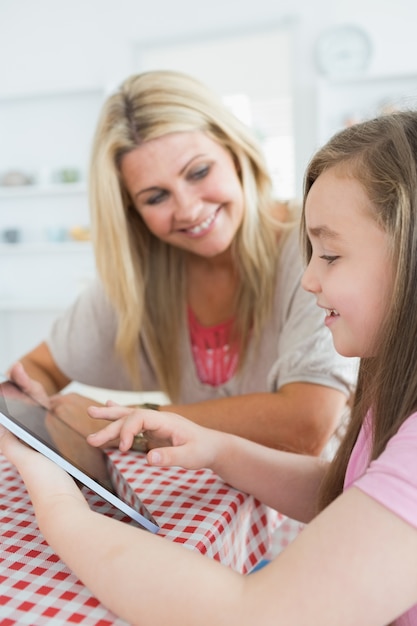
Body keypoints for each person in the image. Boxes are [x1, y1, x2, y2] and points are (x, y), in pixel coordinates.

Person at [3, 110, 417, 625]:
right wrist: (216, 447)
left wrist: (53, 491)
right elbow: (345, 492)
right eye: (154, 196)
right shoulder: (391, 395)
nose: (309, 279)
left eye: (329, 255)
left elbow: (254, 615)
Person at [8, 69, 355, 455]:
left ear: (235, 153)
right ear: (133, 212)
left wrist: (137, 422)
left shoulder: (311, 245)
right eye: (156, 198)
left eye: (199, 172)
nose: (188, 210)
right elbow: (36, 371)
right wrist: (24, 404)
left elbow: (305, 427)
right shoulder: (141, 274)